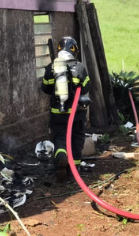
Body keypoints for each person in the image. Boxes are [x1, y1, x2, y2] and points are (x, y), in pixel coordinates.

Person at [41, 36, 91, 182]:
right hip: (77, 113)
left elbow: (45, 88)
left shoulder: (51, 67)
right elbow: (87, 87)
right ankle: (73, 169)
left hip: (58, 113)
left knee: (60, 138)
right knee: (76, 138)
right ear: (74, 50)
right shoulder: (80, 67)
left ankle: (61, 158)